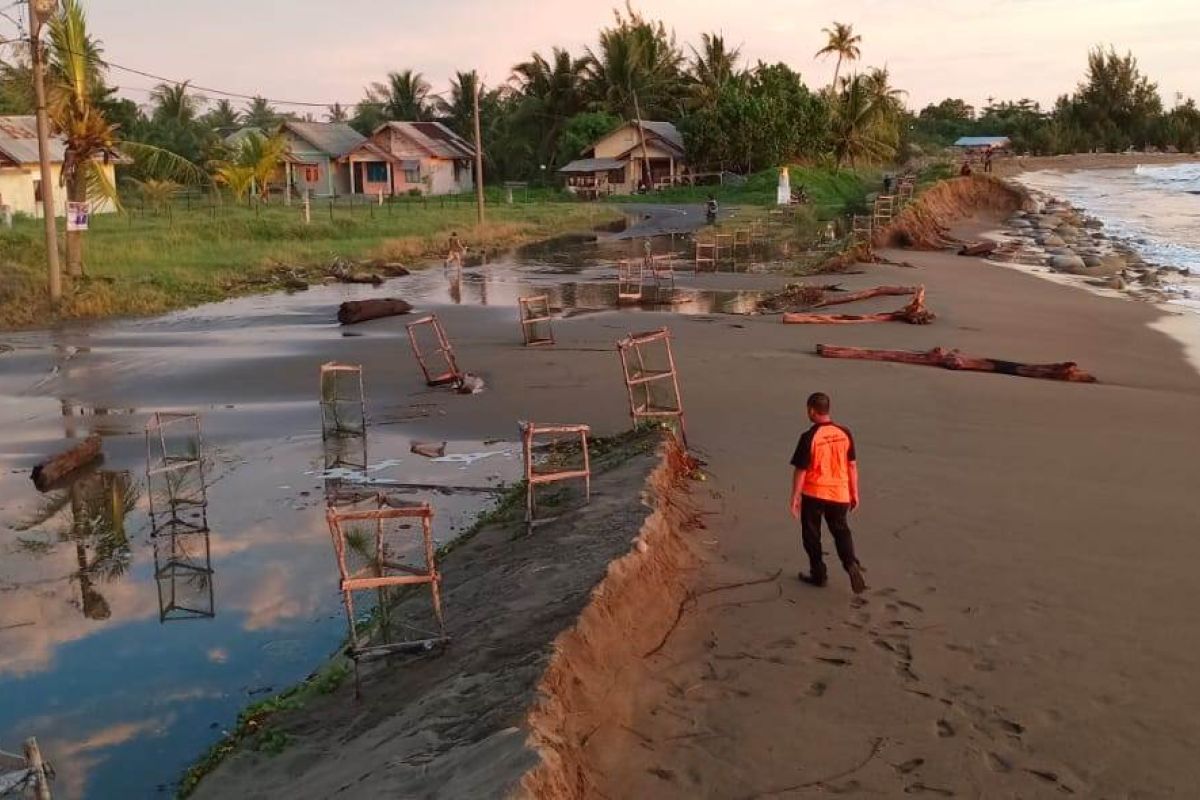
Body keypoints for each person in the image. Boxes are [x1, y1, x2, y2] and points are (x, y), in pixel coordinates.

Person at [788, 392, 867, 594]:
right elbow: (852, 466)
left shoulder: (809, 437)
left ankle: (819, 574)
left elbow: (801, 470)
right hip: (839, 493)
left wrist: (795, 496)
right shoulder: (844, 433)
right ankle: (850, 563)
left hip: (814, 493)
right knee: (841, 531)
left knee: (812, 534)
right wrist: (854, 492)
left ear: (811, 410)